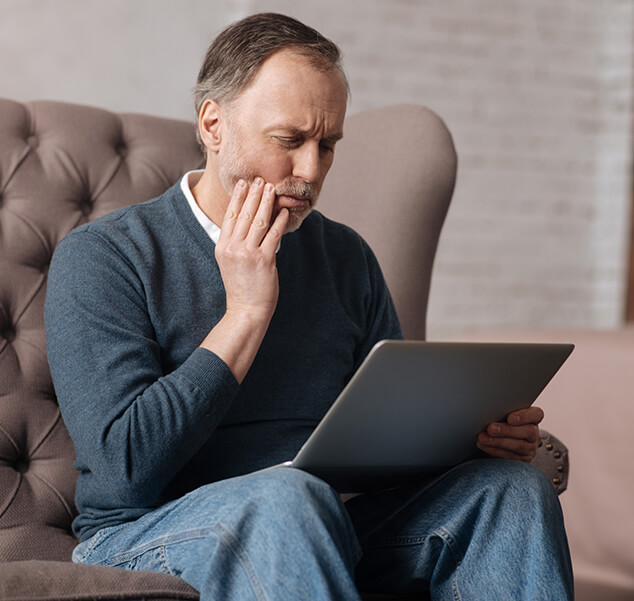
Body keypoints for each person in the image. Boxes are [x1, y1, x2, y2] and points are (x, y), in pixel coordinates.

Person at [44, 12, 573, 601]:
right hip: (145, 532)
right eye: (289, 141)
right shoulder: (104, 257)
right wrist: (245, 311)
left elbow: (386, 437)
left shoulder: (345, 256)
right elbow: (126, 469)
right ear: (213, 125)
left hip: (324, 519)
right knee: (286, 498)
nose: (311, 171)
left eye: (328, 145)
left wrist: (474, 442)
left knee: (509, 489)